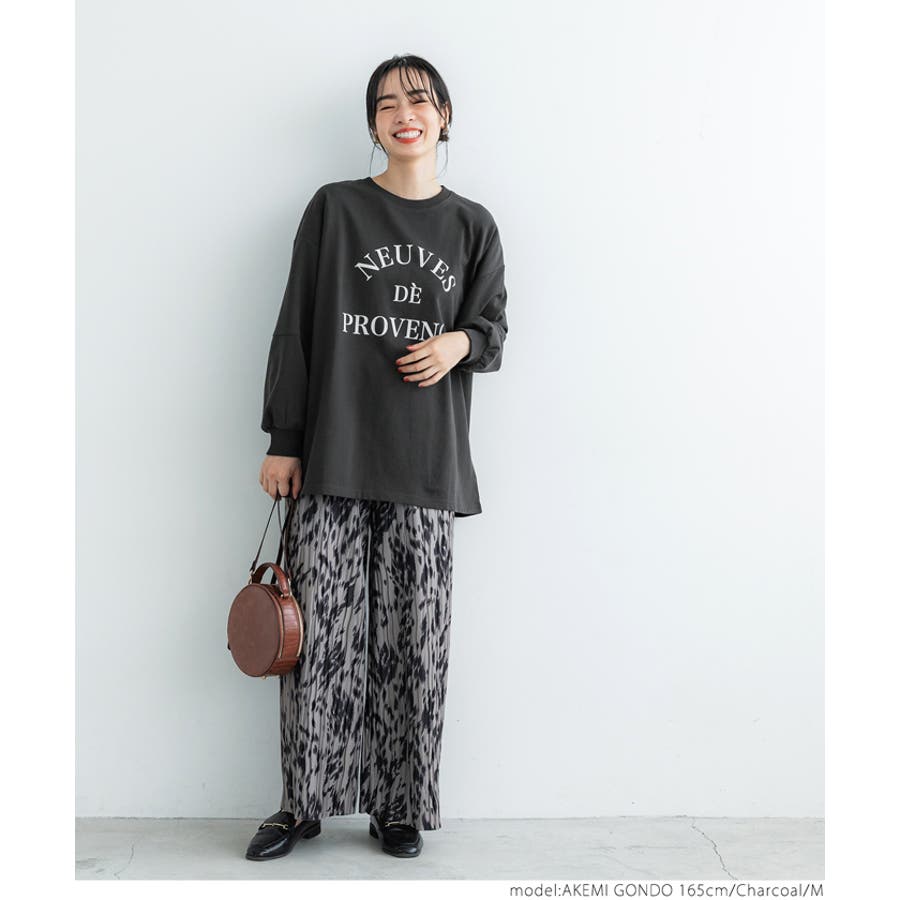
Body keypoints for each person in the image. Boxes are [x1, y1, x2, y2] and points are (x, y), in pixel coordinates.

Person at [245, 53, 509, 862]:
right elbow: (296, 326)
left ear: (444, 115)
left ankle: (400, 806)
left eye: (419, 100)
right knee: (319, 643)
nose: (405, 114)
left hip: (424, 463)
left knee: (414, 645)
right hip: (334, 455)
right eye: (388, 104)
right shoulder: (336, 209)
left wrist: (460, 342)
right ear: (372, 124)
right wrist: (284, 439)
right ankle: (303, 803)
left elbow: (494, 330)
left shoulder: (472, 225)